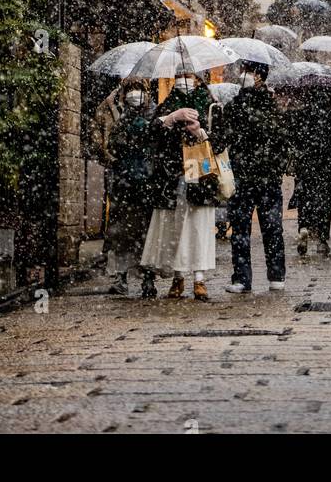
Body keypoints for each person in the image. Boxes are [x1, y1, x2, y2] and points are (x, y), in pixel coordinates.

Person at [140, 68, 225, 302]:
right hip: (173, 175)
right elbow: (151, 135)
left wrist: (200, 133)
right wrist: (170, 119)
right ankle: (178, 276)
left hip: (200, 175)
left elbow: (221, 140)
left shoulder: (210, 104)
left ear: (197, 78)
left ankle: (199, 279)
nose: (183, 80)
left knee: (199, 225)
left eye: (187, 75)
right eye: (179, 75)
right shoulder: (168, 104)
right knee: (175, 227)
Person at [219, 61, 290, 293]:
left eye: (248, 72)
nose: (244, 76)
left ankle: (273, 275)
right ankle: (243, 277)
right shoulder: (237, 105)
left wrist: (275, 166)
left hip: (263, 177)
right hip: (245, 176)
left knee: (269, 227)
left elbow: (282, 141)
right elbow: (222, 138)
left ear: (259, 76)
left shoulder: (270, 105)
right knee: (242, 228)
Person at [103, 79, 156, 294]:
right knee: (122, 234)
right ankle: (121, 277)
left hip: (147, 182)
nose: (135, 94)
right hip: (124, 183)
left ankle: (148, 279)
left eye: (139, 90)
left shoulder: (154, 116)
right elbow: (112, 145)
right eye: (131, 91)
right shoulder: (121, 117)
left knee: (147, 234)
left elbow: (156, 144)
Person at [287, 89, 331, 257]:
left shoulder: (301, 114)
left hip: (306, 165)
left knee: (305, 197)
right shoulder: (330, 116)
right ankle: (322, 239)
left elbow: (292, 139)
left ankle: (303, 227)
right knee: (325, 201)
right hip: (326, 166)